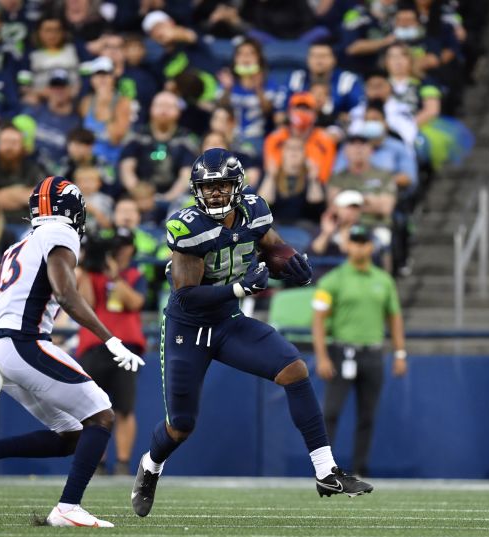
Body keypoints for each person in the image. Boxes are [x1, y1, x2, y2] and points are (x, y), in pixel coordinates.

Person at [130, 148, 373, 517]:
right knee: (181, 426)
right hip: (189, 327)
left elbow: (272, 244)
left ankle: (326, 471)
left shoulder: (254, 210)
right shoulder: (188, 226)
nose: (214, 194)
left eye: (222, 186)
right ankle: (150, 466)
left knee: (295, 369)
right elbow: (187, 296)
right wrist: (240, 289)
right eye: (207, 188)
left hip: (227, 321)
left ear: (237, 186)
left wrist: (293, 262)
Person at [0, 177, 145, 527]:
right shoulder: (60, 233)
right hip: (24, 343)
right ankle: (67, 507)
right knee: (103, 414)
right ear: (71, 210)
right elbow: (65, 293)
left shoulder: (21, 242)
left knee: (72, 435)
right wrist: (109, 338)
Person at [311, 224, 407, 477]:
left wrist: (399, 353)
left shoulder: (383, 280)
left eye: (364, 241)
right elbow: (318, 319)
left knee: (367, 415)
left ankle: (360, 468)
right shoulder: (333, 279)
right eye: (355, 241)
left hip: (372, 353)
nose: (359, 246)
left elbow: (395, 318)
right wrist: (321, 356)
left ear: (371, 246)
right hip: (342, 352)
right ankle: (326, 469)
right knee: (331, 412)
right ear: (347, 246)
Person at [75, 228, 148, 475]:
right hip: (94, 343)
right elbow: (86, 304)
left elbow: (135, 302)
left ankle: (123, 463)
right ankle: (98, 462)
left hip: (125, 345)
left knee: (124, 407)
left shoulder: (134, 274)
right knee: (93, 407)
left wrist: (115, 277)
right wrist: (85, 270)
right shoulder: (90, 274)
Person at [118, 91, 200, 212]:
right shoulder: (136, 136)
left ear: (178, 111)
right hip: (137, 195)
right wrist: (140, 194)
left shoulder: (186, 140)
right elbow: (126, 169)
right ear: (151, 108)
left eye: (169, 107)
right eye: (160, 105)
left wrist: (167, 198)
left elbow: (186, 176)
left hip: (173, 198)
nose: (164, 111)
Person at [282, 39, 364, 133]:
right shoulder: (295, 78)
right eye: (315, 56)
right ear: (307, 60)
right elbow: (281, 114)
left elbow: (358, 112)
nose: (319, 61)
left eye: (324, 56)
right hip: (299, 130)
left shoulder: (347, 80)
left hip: (338, 131)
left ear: (334, 59)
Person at [264, 92, 339, 184]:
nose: (301, 112)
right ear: (289, 112)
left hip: (315, 188)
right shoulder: (275, 139)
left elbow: (325, 177)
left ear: (315, 114)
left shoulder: (325, 140)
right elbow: (272, 172)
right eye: (298, 108)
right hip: (281, 189)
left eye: (306, 109)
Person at [0, 124, 46, 226]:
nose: (9, 147)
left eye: (14, 142)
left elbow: (43, 198)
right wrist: (22, 194)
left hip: (28, 224)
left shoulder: (34, 168)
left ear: (22, 145)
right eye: (5, 142)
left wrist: (5, 194)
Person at [221, 37, 278, 154]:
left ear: (259, 59)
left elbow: (268, 112)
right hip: (230, 137)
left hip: (257, 138)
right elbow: (220, 108)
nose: (246, 58)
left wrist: (259, 89)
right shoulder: (229, 82)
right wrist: (227, 89)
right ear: (235, 59)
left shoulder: (268, 83)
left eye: (251, 54)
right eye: (241, 54)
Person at [76, 56, 132, 172]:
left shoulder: (123, 102)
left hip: (113, 164)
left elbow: (115, 138)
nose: (102, 78)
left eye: (106, 74)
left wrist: (106, 106)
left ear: (113, 78)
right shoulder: (86, 102)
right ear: (92, 79)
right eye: (97, 74)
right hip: (90, 164)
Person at [258, 136, 327, 227]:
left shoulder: (311, 176)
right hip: (275, 227)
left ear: (305, 154)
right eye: (289, 148)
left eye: (299, 148)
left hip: (305, 229)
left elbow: (316, 206)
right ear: (282, 152)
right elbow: (262, 205)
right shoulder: (272, 174)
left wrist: (313, 180)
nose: (294, 152)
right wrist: (271, 176)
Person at [25, 68, 82, 175]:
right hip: (29, 170)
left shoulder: (76, 122)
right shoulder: (36, 111)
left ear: (70, 90)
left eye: (62, 87)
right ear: (48, 89)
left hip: (55, 176)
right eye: (55, 86)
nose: (58, 91)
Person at [25, 16, 82, 102]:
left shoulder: (75, 50)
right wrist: (40, 93)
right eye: (48, 30)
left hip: (73, 99)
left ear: (63, 32)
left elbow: (87, 77)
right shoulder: (31, 56)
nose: (52, 35)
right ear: (39, 32)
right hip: (42, 100)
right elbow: (24, 86)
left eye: (57, 30)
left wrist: (75, 91)